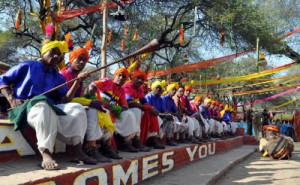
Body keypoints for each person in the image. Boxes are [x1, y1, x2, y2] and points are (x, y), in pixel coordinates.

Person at [0, 41, 97, 170]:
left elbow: (64, 100)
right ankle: (46, 153)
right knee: (42, 105)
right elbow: (3, 80)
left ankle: (77, 150)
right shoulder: (27, 65)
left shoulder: (58, 77)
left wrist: (77, 82)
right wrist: (12, 99)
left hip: (48, 110)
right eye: (53, 52)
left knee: (77, 108)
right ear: (43, 52)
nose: (57, 56)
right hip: (24, 108)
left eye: (59, 55)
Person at [60, 47, 119, 161]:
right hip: (62, 107)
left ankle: (105, 146)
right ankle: (91, 148)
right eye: (79, 59)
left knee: (105, 111)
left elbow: (78, 97)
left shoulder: (78, 77)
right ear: (71, 59)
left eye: (84, 60)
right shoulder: (63, 74)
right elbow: (65, 100)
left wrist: (91, 101)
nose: (82, 62)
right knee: (92, 110)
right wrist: (89, 102)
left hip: (73, 105)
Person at [89, 68, 151, 152]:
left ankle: (127, 142)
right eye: (119, 75)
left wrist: (116, 109)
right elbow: (92, 85)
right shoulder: (107, 82)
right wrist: (93, 98)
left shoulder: (121, 90)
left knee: (130, 113)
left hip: (112, 113)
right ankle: (98, 147)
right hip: (100, 110)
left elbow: (125, 106)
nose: (121, 78)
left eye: (124, 77)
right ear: (115, 76)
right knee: (106, 112)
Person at [123, 70, 165, 149]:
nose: (140, 80)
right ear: (133, 78)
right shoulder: (127, 86)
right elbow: (130, 103)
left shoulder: (140, 89)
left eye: (142, 79)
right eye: (138, 78)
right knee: (137, 111)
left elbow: (144, 102)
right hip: (123, 110)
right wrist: (149, 108)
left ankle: (151, 139)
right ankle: (134, 140)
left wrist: (151, 108)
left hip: (131, 110)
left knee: (153, 115)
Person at [145, 81, 177, 146]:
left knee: (169, 118)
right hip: (150, 115)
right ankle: (153, 140)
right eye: (157, 87)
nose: (158, 89)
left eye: (160, 88)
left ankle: (169, 139)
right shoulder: (148, 97)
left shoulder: (160, 99)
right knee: (158, 119)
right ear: (152, 88)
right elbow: (149, 110)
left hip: (159, 115)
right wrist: (163, 115)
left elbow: (164, 111)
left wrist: (166, 115)